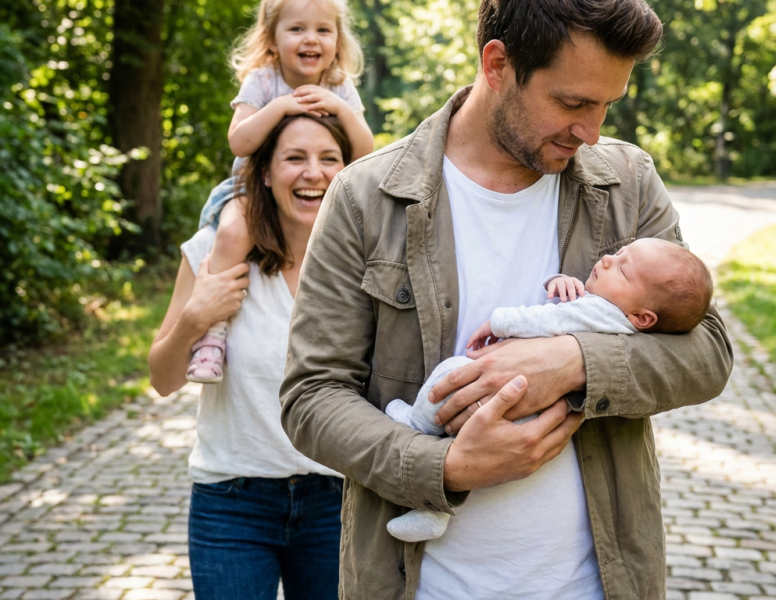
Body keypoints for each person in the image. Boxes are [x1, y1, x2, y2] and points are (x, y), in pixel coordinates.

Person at [280, 1, 734, 599]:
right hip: (419, 584)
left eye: (606, 105)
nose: (591, 131)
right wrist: (443, 468)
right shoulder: (365, 198)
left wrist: (572, 362)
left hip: (596, 585)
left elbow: (709, 352)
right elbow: (312, 396)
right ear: (497, 64)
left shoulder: (628, 182)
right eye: (572, 103)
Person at [385, 238, 714, 542]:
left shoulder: (601, 312)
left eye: (623, 269)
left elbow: (543, 321)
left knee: (451, 375)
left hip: (521, 400)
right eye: (617, 253)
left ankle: (418, 426)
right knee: (466, 445)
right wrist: (565, 282)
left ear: (642, 317)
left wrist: (499, 322)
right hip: (531, 413)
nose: (608, 260)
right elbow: (571, 311)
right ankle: (435, 509)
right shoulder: (616, 319)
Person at [149, 114, 352, 600]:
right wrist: (196, 317)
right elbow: (162, 378)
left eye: (329, 159)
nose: (313, 172)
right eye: (294, 158)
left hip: (337, 502)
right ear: (264, 172)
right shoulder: (214, 254)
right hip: (231, 504)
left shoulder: (364, 266)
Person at [186, 0, 373, 384]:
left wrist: (341, 108)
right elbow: (240, 141)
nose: (311, 39)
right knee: (233, 233)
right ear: (272, 39)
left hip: (314, 197)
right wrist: (282, 106)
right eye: (297, 29)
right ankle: (213, 334)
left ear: (338, 41)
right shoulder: (263, 80)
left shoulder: (339, 85)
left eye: (323, 30)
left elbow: (364, 150)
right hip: (250, 189)